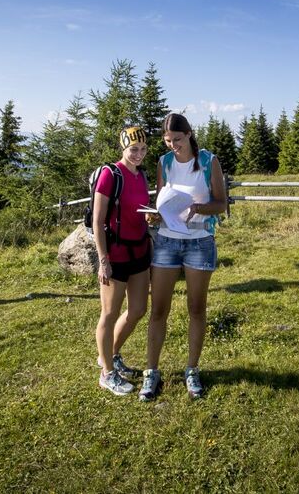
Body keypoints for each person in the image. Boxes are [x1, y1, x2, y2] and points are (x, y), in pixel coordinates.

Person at [139, 113, 227, 401]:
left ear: (189, 134)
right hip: (166, 241)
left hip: (200, 242)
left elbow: (221, 204)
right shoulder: (164, 163)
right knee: (158, 309)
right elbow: (160, 201)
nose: (173, 145)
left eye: (177, 139)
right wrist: (154, 216)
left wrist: (197, 209)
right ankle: (151, 372)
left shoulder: (208, 160)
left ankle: (192, 369)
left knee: (196, 308)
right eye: (167, 141)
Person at [94, 126, 151, 396]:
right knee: (109, 313)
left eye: (142, 149)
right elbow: (97, 220)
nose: (138, 154)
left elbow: (137, 212)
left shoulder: (142, 176)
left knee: (138, 309)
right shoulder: (110, 174)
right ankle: (106, 373)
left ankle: (112, 355)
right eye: (133, 149)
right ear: (123, 148)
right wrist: (102, 259)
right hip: (115, 256)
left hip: (139, 252)